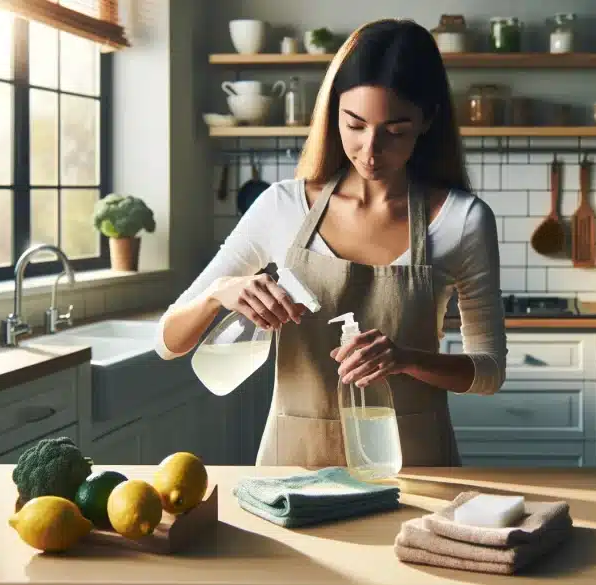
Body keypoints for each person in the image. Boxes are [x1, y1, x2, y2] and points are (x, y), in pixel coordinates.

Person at [155, 18, 506, 468]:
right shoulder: (281, 206)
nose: (370, 149)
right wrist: (220, 292)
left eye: (395, 130)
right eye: (354, 124)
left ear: (428, 119)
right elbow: (168, 341)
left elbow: (489, 372)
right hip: (294, 469)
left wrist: (404, 359)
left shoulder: (462, 220)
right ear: (333, 111)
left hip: (415, 470)